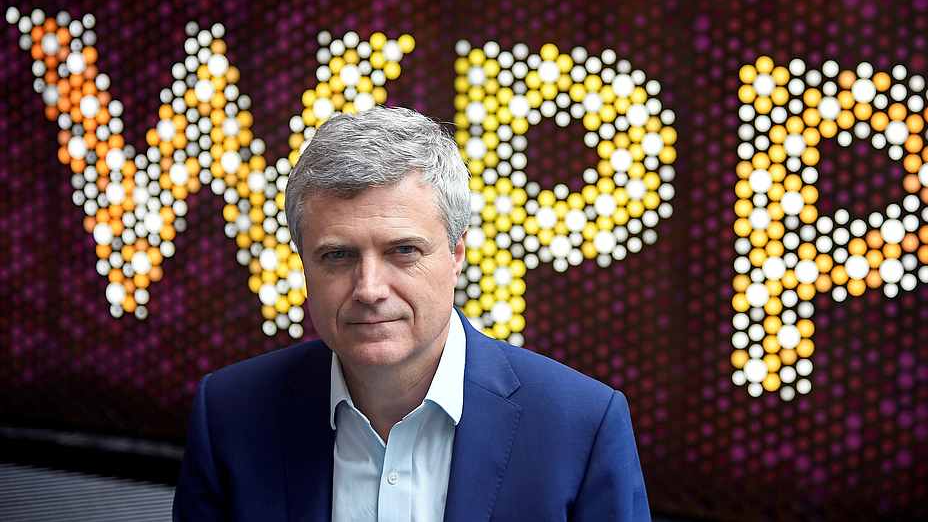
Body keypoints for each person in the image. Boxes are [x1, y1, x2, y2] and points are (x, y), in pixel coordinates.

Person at [173, 106, 651, 521]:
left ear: (456, 253)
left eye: (403, 251)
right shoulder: (229, 417)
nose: (369, 289)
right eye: (337, 256)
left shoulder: (581, 427)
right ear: (302, 263)